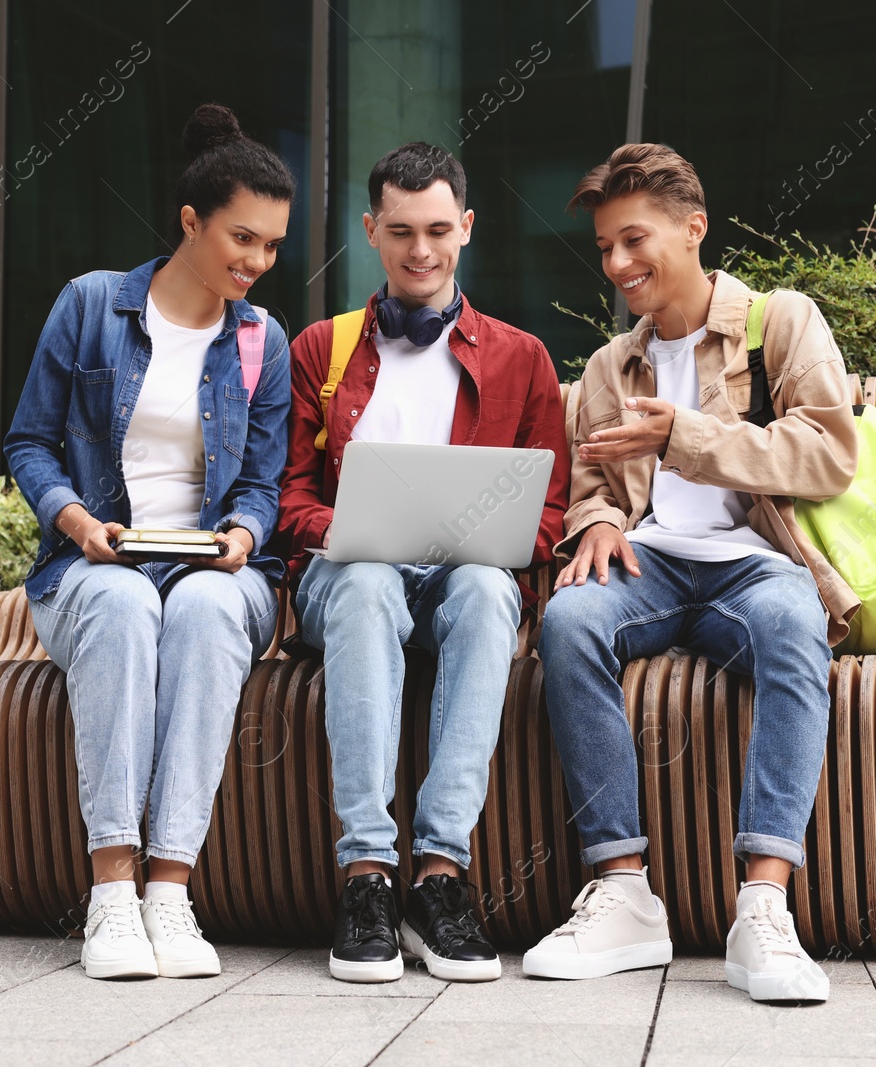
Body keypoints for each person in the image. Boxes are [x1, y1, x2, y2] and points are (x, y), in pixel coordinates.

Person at [521, 143, 859, 1003]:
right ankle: (625, 889)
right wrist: (594, 524)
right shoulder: (609, 366)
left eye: (634, 241)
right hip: (653, 565)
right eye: (604, 248)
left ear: (693, 229)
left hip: (754, 568)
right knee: (568, 621)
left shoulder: (779, 321)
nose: (618, 264)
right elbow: (591, 485)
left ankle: (764, 907)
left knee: (795, 623)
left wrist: (685, 437)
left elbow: (829, 453)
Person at [3, 104, 294, 981]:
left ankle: (172, 887)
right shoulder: (93, 305)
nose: (256, 262)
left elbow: (262, 482)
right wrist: (77, 521)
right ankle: (112, 894)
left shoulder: (260, 341)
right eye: (242, 237)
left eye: (273, 245)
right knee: (127, 601)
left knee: (206, 609)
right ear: (191, 221)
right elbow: (28, 442)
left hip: (213, 567)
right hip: (95, 565)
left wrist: (244, 531)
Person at [278, 142, 570, 983]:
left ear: (467, 228)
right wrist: (340, 527)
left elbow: (547, 507)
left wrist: (504, 537)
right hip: (352, 573)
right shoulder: (320, 351)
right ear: (370, 230)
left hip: (457, 579)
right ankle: (366, 875)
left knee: (486, 590)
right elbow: (287, 497)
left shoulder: (521, 359)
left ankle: (440, 879)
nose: (420, 250)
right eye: (400, 230)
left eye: (439, 229)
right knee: (368, 580)